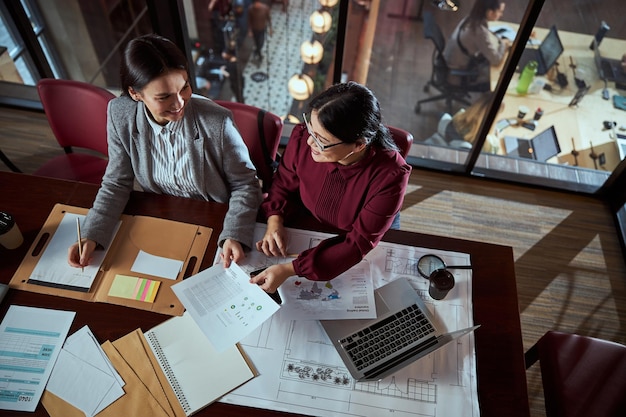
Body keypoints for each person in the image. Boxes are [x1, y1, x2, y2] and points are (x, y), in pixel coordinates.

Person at [67, 34, 261, 270]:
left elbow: (246, 184)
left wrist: (234, 233)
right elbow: (117, 182)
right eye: (164, 96)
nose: (180, 103)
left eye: (185, 87)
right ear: (135, 94)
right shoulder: (120, 113)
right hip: (162, 219)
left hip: (214, 223)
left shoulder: (216, 121)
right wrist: (92, 232)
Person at [250, 82, 412, 293]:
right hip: (312, 221)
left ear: (358, 145)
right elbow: (283, 181)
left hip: (361, 234)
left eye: (321, 140)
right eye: (311, 129)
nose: (309, 142)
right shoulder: (305, 136)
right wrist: (274, 220)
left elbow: (358, 242)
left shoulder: (391, 175)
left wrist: (291, 269)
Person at [443, 0, 511, 88]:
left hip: (449, 63)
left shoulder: (471, 18)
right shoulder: (479, 32)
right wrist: (503, 44)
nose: (501, 15)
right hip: (456, 74)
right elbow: (496, 60)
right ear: (490, 12)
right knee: (499, 78)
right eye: (500, 11)